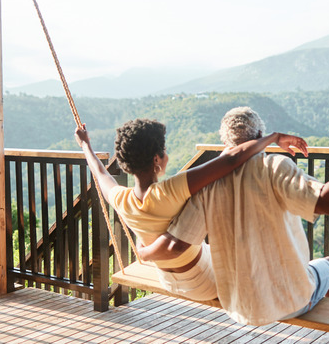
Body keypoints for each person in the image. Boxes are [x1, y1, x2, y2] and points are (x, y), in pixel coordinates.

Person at [138, 107, 329, 326]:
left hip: (239, 305)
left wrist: (143, 250)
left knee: (319, 272)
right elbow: (328, 202)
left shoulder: (208, 184)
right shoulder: (274, 168)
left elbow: (176, 244)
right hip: (289, 301)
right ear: (260, 137)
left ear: (227, 144)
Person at [74, 118, 308, 301]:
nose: (166, 155)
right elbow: (230, 161)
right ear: (157, 159)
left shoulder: (121, 199)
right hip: (204, 282)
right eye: (164, 151)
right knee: (210, 188)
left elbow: (100, 172)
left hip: (169, 279)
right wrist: (273, 137)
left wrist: (86, 145)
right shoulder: (169, 191)